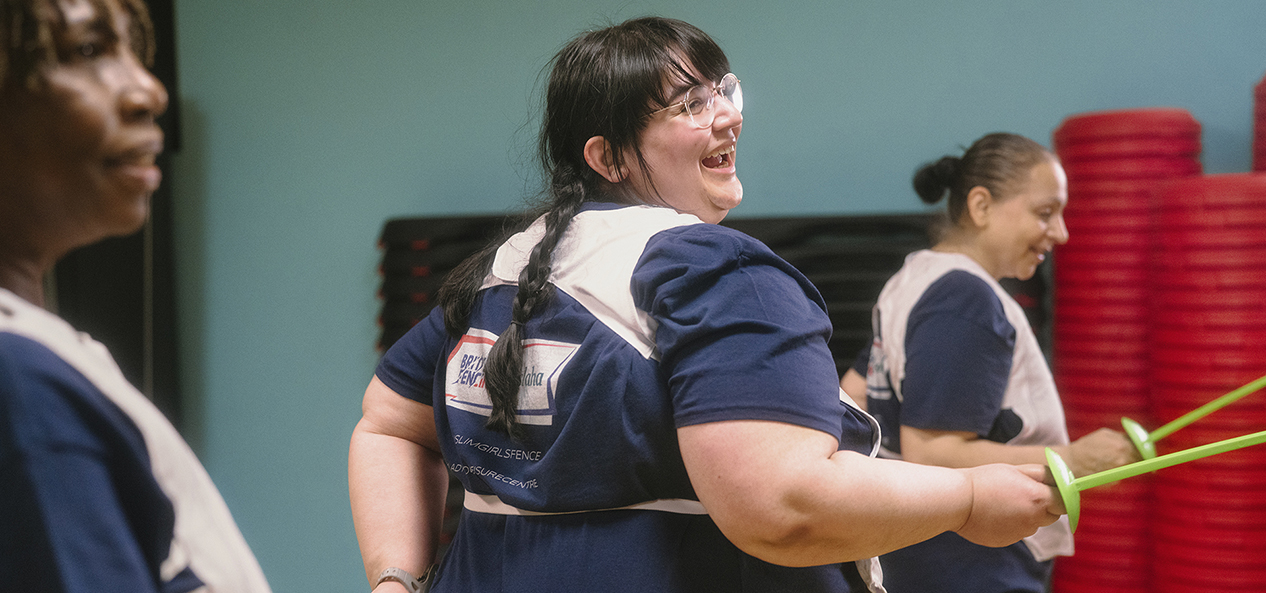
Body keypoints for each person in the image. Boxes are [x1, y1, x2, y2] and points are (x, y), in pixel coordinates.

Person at [348, 18, 1063, 593]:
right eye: (691, 105)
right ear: (609, 157)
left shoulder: (497, 273)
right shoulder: (719, 273)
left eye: (724, 91)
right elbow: (780, 506)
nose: (727, 118)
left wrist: (394, 577)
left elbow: (387, 425)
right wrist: (968, 500)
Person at [0, 0, 272, 590]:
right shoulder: (19, 386)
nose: (148, 90)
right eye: (88, 51)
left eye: (134, 51)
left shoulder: (42, 355)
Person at [864, 132, 1140, 593]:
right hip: (969, 559)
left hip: (927, 551)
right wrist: (1071, 458)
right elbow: (932, 453)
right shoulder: (965, 299)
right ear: (981, 206)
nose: (1062, 232)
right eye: (1044, 213)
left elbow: (854, 388)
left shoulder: (915, 278)